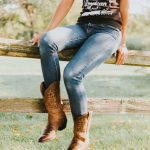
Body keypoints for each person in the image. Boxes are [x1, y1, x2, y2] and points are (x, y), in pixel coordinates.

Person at [31, 0, 129, 149]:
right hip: (82, 27)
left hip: (108, 31)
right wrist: (48, 30)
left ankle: (81, 137)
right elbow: (66, 2)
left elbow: (125, 9)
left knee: (72, 74)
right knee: (47, 40)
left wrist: (122, 42)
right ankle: (55, 114)